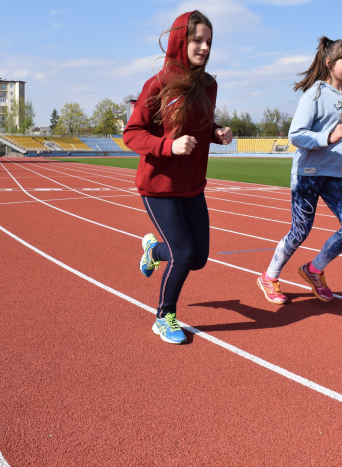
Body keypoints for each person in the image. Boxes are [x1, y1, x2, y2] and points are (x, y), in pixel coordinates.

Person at [124, 10, 233, 344]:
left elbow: (198, 125)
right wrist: (168, 146)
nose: (203, 47)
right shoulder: (157, 84)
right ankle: (164, 316)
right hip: (159, 187)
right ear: (179, 40)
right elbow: (132, 134)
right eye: (197, 40)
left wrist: (217, 133)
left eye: (209, 42)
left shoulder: (209, 85)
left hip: (192, 186)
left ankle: (153, 252)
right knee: (183, 254)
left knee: (198, 259)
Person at [257, 36, 342, 305]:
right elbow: (296, 135)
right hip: (309, 172)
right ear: (330, 63)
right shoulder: (314, 94)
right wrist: (328, 138)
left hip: (335, 174)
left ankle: (313, 270)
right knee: (300, 232)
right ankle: (269, 277)